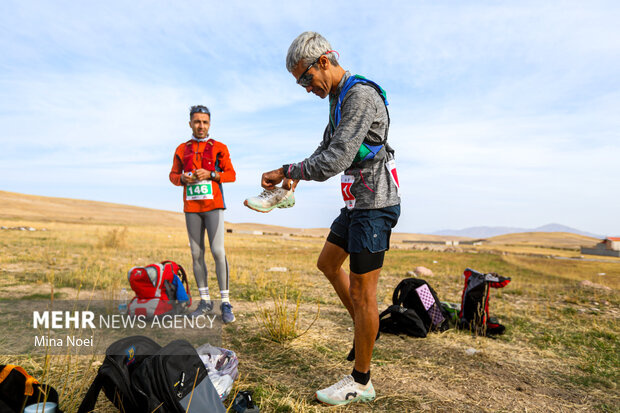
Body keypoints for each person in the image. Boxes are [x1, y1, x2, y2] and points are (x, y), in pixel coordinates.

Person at [261, 32, 401, 406]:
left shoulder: (359, 96)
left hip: (374, 205)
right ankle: (364, 333)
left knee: (363, 292)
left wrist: (288, 168)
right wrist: (293, 178)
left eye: (306, 78)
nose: (306, 88)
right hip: (356, 203)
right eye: (300, 83)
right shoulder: (338, 98)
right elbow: (325, 149)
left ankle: (361, 381)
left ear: (324, 61)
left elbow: (336, 160)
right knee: (327, 263)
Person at [169, 105, 237, 323]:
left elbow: (231, 175)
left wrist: (212, 173)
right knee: (196, 254)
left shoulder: (219, 147)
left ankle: (225, 303)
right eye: (197, 122)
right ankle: (205, 301)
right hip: (191, 208)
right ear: (190, 123)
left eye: (205, 122)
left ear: (209, 124)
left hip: (214, 207)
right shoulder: (181, 149)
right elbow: (172, 175)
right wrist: (183, 179)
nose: (201, 126)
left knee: (218, 251)